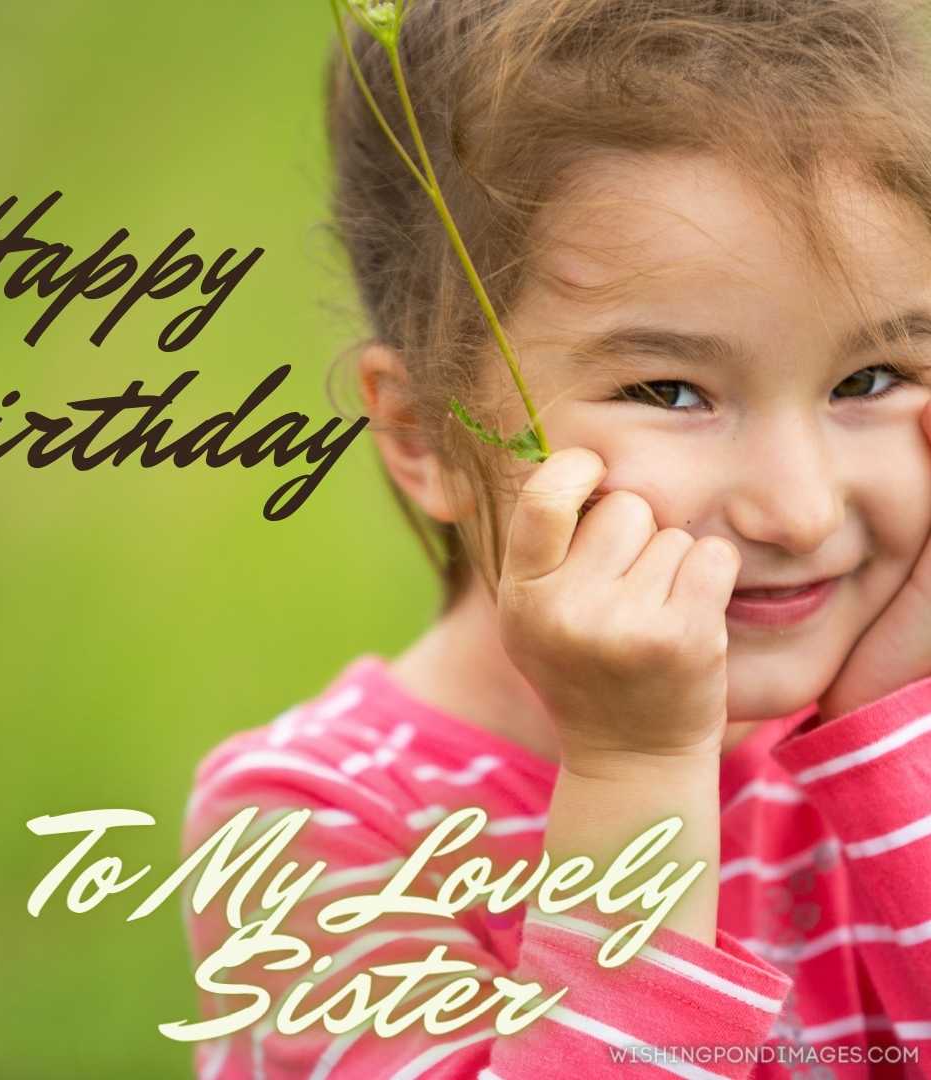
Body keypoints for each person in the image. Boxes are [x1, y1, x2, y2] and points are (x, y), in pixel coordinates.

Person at [181, 1, 931, 1075]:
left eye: (869, 379)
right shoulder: (319, 826)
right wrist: (637, 769)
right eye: (670, 390)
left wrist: (895, 729)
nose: (801, 511)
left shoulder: (911, 719)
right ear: (425, 432)